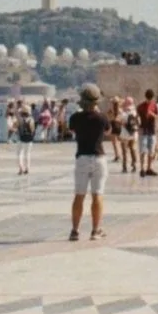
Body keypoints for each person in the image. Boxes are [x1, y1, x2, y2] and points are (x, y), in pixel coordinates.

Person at [67, 83, 109, 241]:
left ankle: (75, 230)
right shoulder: (101, 118)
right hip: (98, 158)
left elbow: (71, 130)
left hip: (82, 158)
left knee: (79, 195)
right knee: (97, 195)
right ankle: (95, 230)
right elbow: (108, 131)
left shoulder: (75, 118)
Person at [13, 98, 36, 176]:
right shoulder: (31, 119)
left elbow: (15, 126)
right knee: (28, 154)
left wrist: (16, 130)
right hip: (29, 139)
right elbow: (33, 130)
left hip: (21, 138)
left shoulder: (20, 119)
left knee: (19, 153)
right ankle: (27, 169)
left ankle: (21, 168)